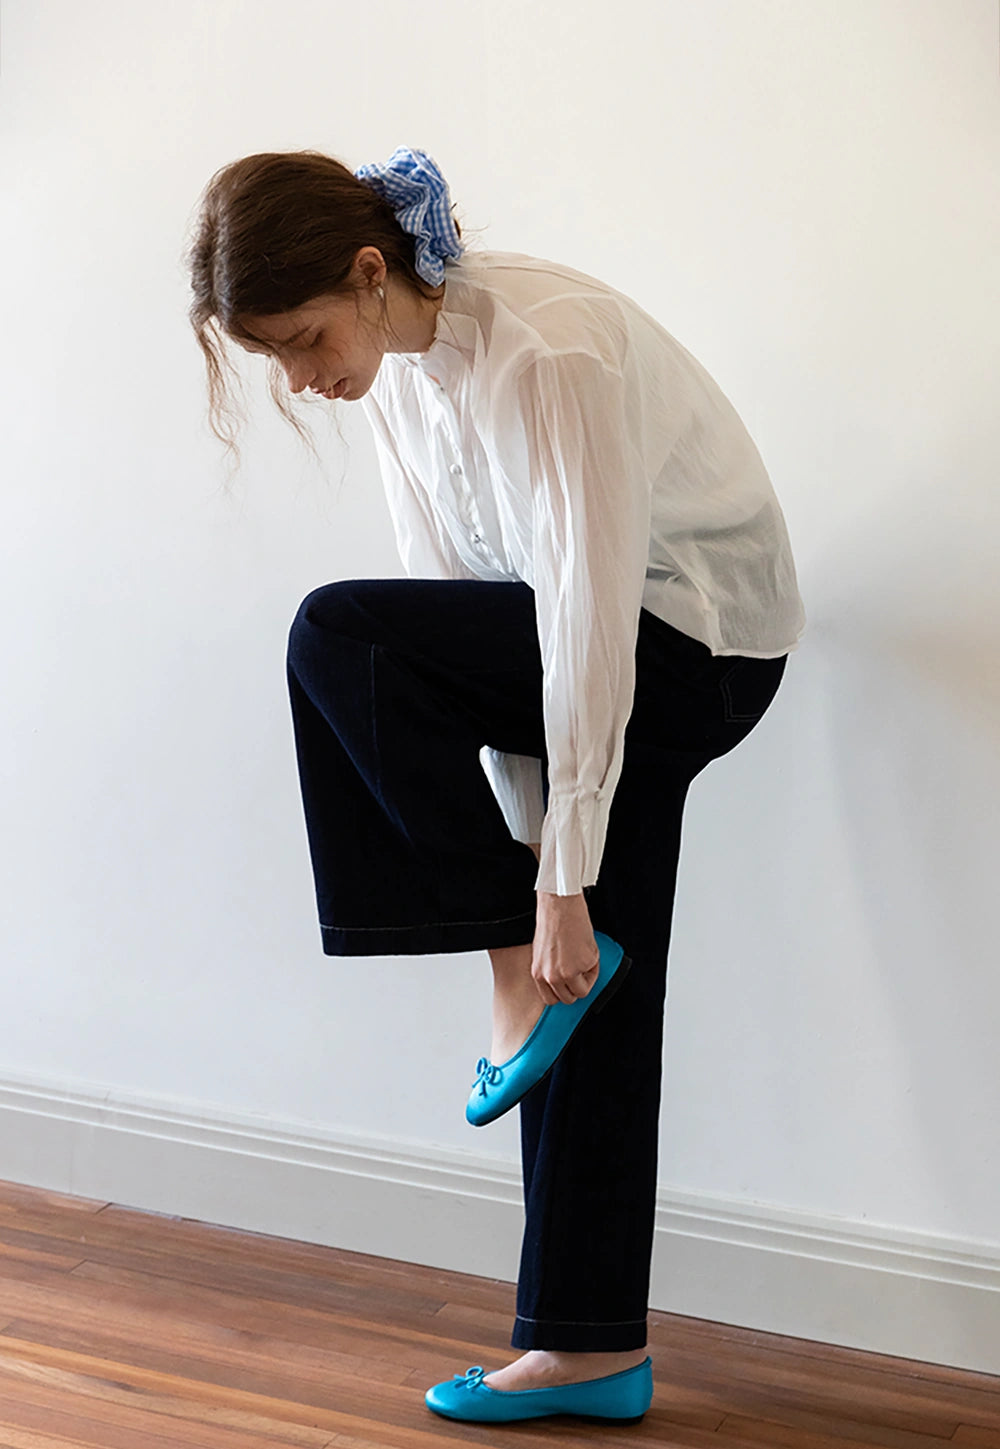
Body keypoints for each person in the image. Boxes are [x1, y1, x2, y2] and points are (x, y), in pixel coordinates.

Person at [187, 144, 806, 1427]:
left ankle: (516, 965)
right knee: (597, 984)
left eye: (302, 341)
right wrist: (547, 883)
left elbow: (583, 620)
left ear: (371, 274)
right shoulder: (405, 379)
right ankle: (589, 1347)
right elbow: (473, 645)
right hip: (591, 654)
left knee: (334, 633)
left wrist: (550, 883)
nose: (303, 380)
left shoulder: (545, 352)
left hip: (698, 645)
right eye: (276, 363)